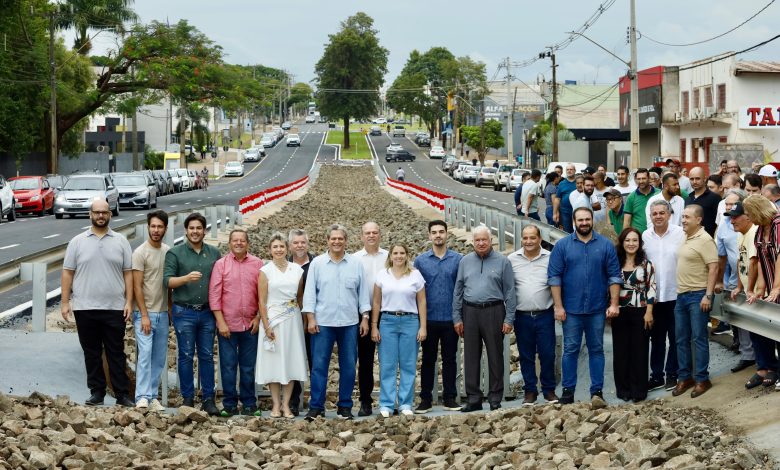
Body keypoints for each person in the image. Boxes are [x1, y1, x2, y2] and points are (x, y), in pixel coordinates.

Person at [61, 199, 134, 407]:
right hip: (85, 307)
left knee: (116, 353)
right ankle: (97, 392)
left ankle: (122, 394)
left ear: (110, 214)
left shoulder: (121, 241)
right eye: (97, 212)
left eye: (104, 212)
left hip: (114, 307)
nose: (100, 216)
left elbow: (128, 273)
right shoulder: (77, 242)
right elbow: (67, 273)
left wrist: (129, 301)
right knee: (91, 353)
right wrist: (65, 302)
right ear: (90, 214)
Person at [548, 207, 622, 404]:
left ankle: (597, 391)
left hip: (597, 309)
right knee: (570, 349)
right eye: (580, 220)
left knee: (596, 349)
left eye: (587, 219)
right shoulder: (562, 246)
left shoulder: (606, 246)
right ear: (574, 222)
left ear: (592, 221)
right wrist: (558, 306)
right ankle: (568, 390)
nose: (584, 223)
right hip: (570, 309)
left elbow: (614, 276)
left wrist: (614, 304)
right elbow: (554, 278)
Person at [302, 224, 371, 421]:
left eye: (341, 238)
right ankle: (316, 407)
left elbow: (363, 293)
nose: (337, 242)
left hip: (349, 323)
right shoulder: (318, 264)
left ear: (346, 241)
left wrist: (365, 317)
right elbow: (309, 293)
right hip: (323, 323)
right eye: (333, 238)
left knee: (349, 365)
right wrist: (311, 318)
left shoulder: (356, 264)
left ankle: (345, 406)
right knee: (319, 366)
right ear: (327, 241)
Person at [163, 212, 222, 415]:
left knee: (206, 355)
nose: (195, 232)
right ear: (186, 230)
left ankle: (208, 399)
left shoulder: (214, 253)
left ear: (204, 231)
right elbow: (168, 281)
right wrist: (186, 278)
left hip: (207, 313)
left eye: (199, 228)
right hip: (184, 311)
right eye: (191, 228)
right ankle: (187, 397)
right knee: (186, 355)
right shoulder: (175, 253)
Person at [453, 225, 516, 411]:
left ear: (490, 241)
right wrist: (457, 317)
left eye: (484, 240)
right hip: (469, 311)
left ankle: (495, 397)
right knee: (471, 356)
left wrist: (509, 318)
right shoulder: (465, 261)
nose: (481, 243)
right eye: (477, 240)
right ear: (473, 241)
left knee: (495, 355)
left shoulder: (503, 262)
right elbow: (458, 290)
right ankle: (473, 398)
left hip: (494, 311)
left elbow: (510, 292)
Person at [208, 229, 264, 417]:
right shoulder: (220, 265)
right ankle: (230, 403)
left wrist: (258, 318)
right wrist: (221, 322)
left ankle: (249, 402)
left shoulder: (258, 264)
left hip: (250, 325)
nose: (239, 243)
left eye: (242, 240)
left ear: (248, 243)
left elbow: (263, 295)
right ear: (230, 243)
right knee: (228, 366)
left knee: (248, 367)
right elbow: (214, 296)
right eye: (235, 240)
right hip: (227, 326)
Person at [371, 244, 427, 417]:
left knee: (408, 364)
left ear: (407, 255)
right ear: (390, 256)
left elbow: (422, 302)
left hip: (410, 321)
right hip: (387, 321)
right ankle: (386, 404)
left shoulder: (415, 275)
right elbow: (376, 302)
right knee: (387, 364)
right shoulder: (382, 275)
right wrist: (374, 325)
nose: (399, 256)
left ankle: (405, 404)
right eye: (395, 253)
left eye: (402, 253)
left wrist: (423, 326)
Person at [256, 232, 308, 418]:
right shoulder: (265, 271)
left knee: (290, 360)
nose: (279, 250)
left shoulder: (297, 270)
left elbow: (300, 297)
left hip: (292, 320)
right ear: (270, 250)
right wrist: (266, 325)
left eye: (282, 246)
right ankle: (275, 405)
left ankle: (286, 405)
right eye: (275, 247)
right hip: (273, 320)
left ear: (287, 249)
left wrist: (303, 321)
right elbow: (261, 301)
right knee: (274, 361)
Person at [414, 220, 463, 413]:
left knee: (450, 359)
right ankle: (425, 398)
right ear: (429, 236)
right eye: (434, 232)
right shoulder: (420, 261)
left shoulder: (458, 259)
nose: (438, 235)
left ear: (447, 234)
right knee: (428, 359)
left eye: (441, 232)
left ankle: (449, 397)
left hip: (451, 318)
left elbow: (461, 288)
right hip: (429, 318)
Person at [672, 205, 719, 398]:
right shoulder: (686, 236)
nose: (683, 220)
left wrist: (707, 295)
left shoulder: (705, 239)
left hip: (698, 295)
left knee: (698, 338)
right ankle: (685, 377)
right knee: (681, 338)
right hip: (682, 294)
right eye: (682, 217)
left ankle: (702, 379)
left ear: (698, 220)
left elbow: (714, 267)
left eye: (687, 217)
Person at [509, 225, 559, 405]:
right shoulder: (512, 259)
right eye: (525, 238)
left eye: (532, 238)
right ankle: (530, 391)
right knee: (526, 355)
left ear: (539, 239)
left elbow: (556, 282)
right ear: (521, 239)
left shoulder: (550, 257)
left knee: (547, 353)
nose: (528, 241)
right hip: (522, 316)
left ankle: (549, 390)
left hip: (544, 314)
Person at [643, 199, 685, 392]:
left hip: (676, 294)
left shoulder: (680, 234)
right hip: (655, 297)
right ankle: (657, 376)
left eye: (662, 213)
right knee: (657, 338)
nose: (658, 216)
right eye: (655, 214)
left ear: (669, 215)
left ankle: (672, 374)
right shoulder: (645, 236)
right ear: (650, 216)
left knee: (676, 337)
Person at [131, 210, 170, 412]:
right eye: (153, 226)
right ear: (148, 227)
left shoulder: (168, 251)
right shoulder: (139, 253)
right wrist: (144, 315)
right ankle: (142, 396)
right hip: (144, 315)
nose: (156, 230)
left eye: (159, 226)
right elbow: (137, 287)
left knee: (159, 358)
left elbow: (169, 284)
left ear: (165, 228)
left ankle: (153, 395)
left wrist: (170, 310)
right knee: (144, 355)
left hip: (163, 315)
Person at [613, 228, 656, 402]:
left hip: (641, 310)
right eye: (628, 240)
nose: (631, 244)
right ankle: (623, 389)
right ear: (622, 243)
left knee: (640, 349)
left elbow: (651, 288)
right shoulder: (614, 263)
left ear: (639, 243)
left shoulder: (646, 264)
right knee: (621, 350)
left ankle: (639, 390)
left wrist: (649, 312)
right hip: (620, 311)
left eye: (635, 240)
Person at [741, 196, 780, 389]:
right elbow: (763, 262)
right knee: (764, 327)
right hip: (772, 284)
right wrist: (760, 290)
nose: (747, 217)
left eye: (749, 213)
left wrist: (776, 287)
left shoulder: (777, 225)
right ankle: (767, 368)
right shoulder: (759, 230)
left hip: (779, 284)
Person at [718, 192, 756, 371]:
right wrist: (736, 285)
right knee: (742, 322)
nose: (731, 219)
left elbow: (755, 262)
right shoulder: (729, 229)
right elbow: (728, 258)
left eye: (734, 214)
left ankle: (766, 363)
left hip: (755, 285)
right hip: (738, 280)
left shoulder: (753, 230)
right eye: (726, 206)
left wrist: (750, 287)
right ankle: (748, 355)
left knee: (762, 323)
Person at [353, 222, 388, 417]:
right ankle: (365, 401)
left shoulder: (389, 256)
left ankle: (388, 400)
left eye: (375, 232)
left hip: (387, 313)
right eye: (368, 233)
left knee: (389, 360)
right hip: (363, 314)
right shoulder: (355, 259)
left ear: (380, 235)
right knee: (365, 360)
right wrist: (364, 316)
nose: (371, 236)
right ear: (361, 236)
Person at [288, 229, 315, 416]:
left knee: (316, 362)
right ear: (290, 245)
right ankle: (293, 401)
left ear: (307, 243)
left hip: (314, 321)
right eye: (296, 243)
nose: (299, 246)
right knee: (294, 361)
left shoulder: (317, 263)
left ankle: (316, 401)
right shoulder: (284, 264)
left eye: (302, 242)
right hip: (291, 321)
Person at [685, 167, 721, 237]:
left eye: (697, 178)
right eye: (692, 179)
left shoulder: (715, 198)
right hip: (690, 240)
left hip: (708, 240)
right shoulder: (688, 199)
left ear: (704, 179)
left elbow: (719, 223)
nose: (694, 182)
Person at [624, 168, 658, 233]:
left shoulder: (658, 193)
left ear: (649, 178)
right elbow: (626, 222)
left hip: (656, 235)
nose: (641, 181)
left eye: (644, 178)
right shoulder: (631, 197)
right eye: (638, 179)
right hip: (638, 238)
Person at [553, 164, 577, 232]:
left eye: (571, 169)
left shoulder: (579, 183)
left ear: (575, 171)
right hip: (565, 212)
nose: (569, 171)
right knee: (567, 231)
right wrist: (555, 213)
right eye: (567, 170)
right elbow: (557, 199)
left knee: (577, 231)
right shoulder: (562, 184)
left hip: (577, 211)